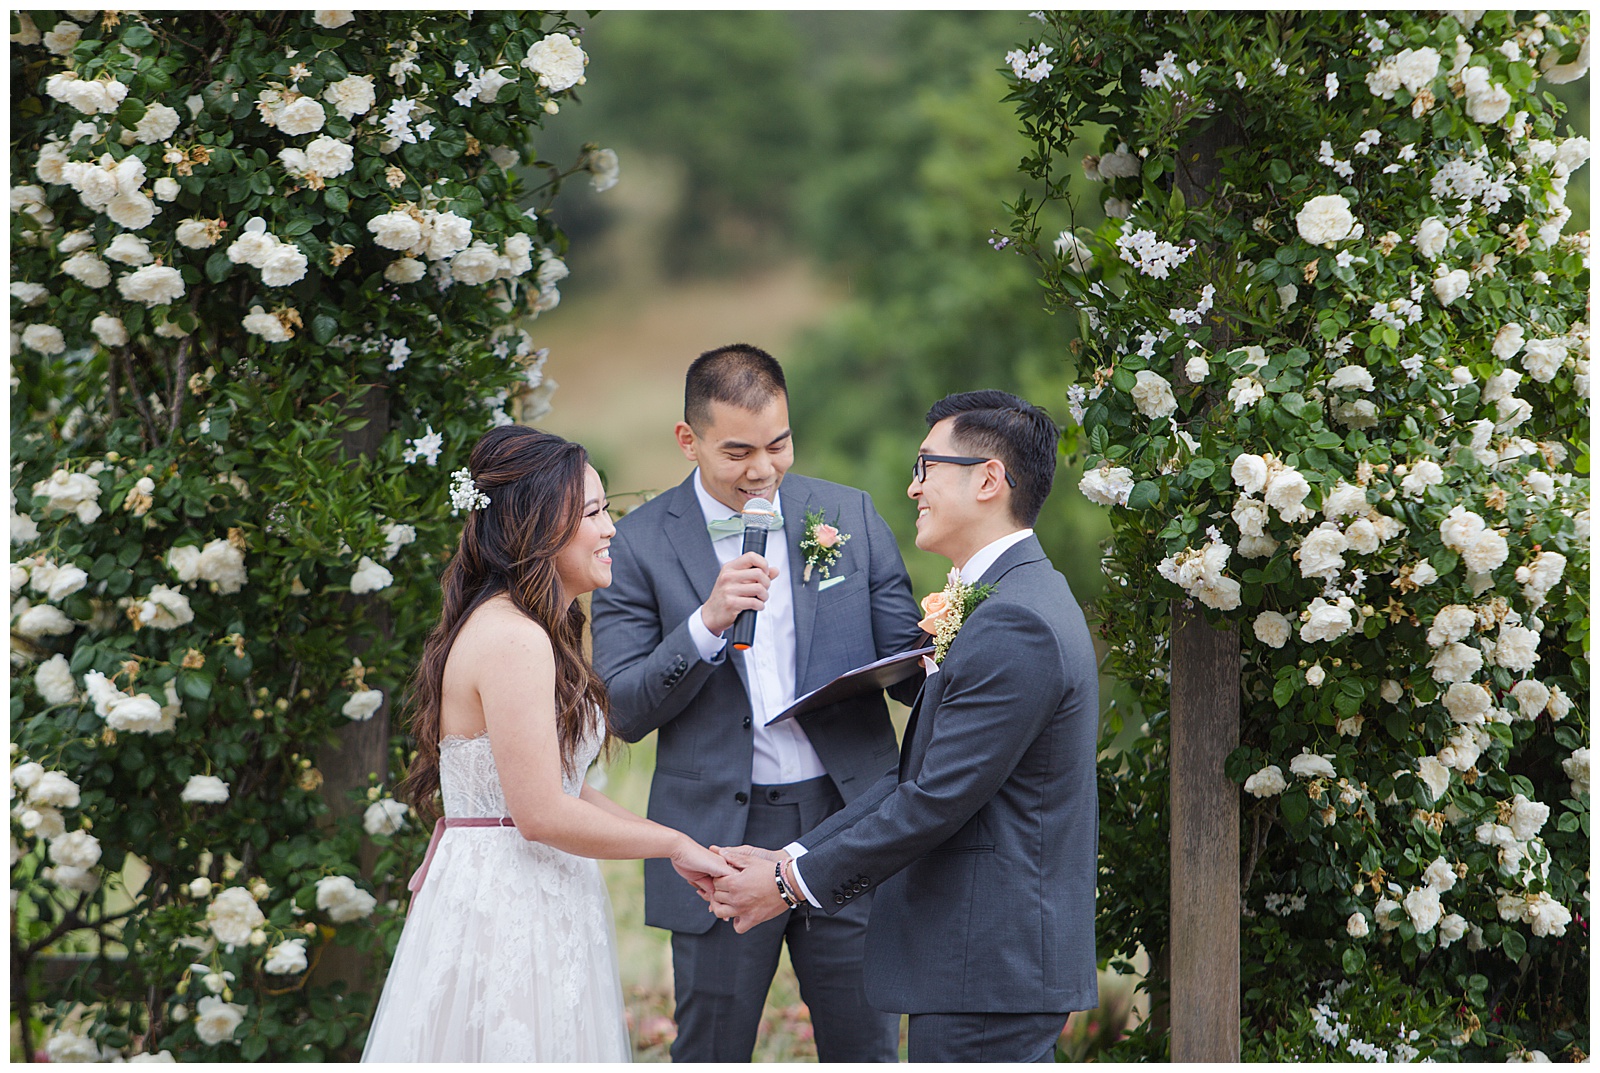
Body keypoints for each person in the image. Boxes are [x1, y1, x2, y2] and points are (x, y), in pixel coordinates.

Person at [707, 390, 1100, 1063]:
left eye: (926, 466)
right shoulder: (1010, 597)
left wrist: (783, 887)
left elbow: (934, 800)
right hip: (980, 967)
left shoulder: (1016, 620)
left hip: (989, 970)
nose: (912, 486)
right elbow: (915, 779)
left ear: (987, 479)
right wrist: (790, 857)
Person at [589, 344, 927, 1062]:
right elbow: (621, 708)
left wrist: (959, 633)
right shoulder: (639, 544)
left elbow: (910, 670)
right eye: (738, 451)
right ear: (689, 440)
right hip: (713, 839)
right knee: (712, 1047)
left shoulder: (847, 513)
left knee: (865, 1045)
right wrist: (704, 624)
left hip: (847, 818)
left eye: (779, 443)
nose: (765, 468)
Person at [362, 425, 730, 1063]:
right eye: (592, 512)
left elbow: (565, 788)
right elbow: (541, 814)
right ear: (536, 526)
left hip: (536, 887)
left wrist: (677, 844)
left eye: (605, 508)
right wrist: (671, 843)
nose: (611, 528)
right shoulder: (513, 637)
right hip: (508, 904)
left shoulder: (530, 627)